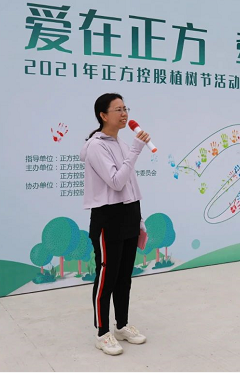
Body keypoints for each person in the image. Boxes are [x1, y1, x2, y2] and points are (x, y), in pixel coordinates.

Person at [80, 93, 150, 356]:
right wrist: (136, 150)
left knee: (124, 277)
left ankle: (121, 325)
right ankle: (102, 333)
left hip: (129, 214)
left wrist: (139, 218)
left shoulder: (121, 143)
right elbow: (117, 182)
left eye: (125, 108)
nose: (124, 114)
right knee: (106, 277)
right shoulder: (96, 146)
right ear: (103, 115)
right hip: (108, 218)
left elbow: (130, 184)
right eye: (118, 109)